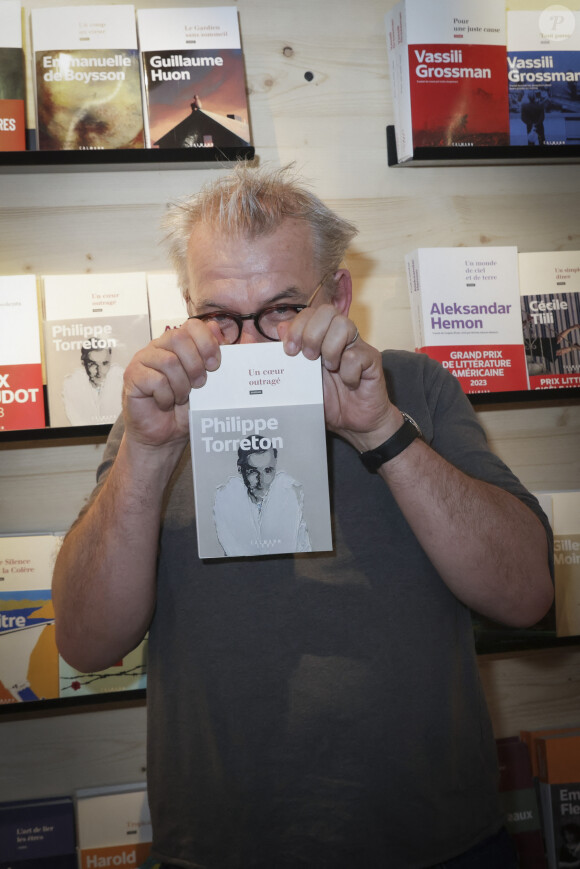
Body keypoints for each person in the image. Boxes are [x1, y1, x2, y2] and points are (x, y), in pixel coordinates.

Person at [52, 164, 554, 869]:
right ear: (187, 308)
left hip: (436, 838)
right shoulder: (159, 415)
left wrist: (380, 428)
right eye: (220, 316)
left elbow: (527, 593)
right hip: (220, 845)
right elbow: (84, 640)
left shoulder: (413, 386)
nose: (252, 347)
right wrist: (148, 454)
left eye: (283, 309)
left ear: (339, 296)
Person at [213, 444, 311, 556]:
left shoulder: (291, 496)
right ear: (240, 470)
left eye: (268, 470)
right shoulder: (226, 500)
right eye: (252, 471)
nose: (262, 480)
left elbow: (303, 547)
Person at [62, 345, 124, 426]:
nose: (99, 371)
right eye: (93, 364)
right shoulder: (71, 385)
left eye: (105, 363)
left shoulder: (122, 379)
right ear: (83, 364)